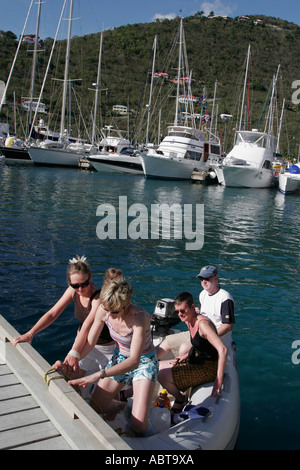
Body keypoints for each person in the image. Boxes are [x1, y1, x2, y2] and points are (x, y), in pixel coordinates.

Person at [64, 279, 159, 436]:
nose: (109, 314)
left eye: (114, 312)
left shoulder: (139, 318)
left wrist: (99, 375)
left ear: (127, 303)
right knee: (95, 408)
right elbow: (90, 341)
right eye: (107, 309)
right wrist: (74, 356)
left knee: (138, 425)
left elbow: (134, 361)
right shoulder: (104, 310)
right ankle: (119, 405)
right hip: (120, 357)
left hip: (144, 362)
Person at [13, 256, 122, 377]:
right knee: (73, 376)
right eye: (75, 286)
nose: (80, 289)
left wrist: (74, 352)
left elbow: (87, 326)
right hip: (84, 341)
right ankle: (66, 369)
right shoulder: (72, 291)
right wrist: (30, 333)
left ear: (90, 278)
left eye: (84, 284)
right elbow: (52, 314)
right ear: (70, 283)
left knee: (97, 384)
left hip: (104, 347)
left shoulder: (97, 299)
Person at [158, 292, 227, 415]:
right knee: (159, 367)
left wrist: (218, 380)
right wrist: (185, 355)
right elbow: (199, 344)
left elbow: (222, 349)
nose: (180, 314)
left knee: (162, 375)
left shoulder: (203, 325)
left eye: (183, 310)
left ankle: (180, 399)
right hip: (197, 359)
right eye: (177, 311)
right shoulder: (188, 320)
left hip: (208, 367)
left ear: (192, 307)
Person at [156, 265, 235, 360]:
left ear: (216, 278)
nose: (204, 282)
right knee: (167, 342)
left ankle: (182, 371)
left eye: (207, 278)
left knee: (184, 348)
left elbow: (228, 326)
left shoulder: (225, 298)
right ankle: (148, 364)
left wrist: (208, 336)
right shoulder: (203, 294)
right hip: (198, 333)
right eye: (201, 279)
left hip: (212, 338)